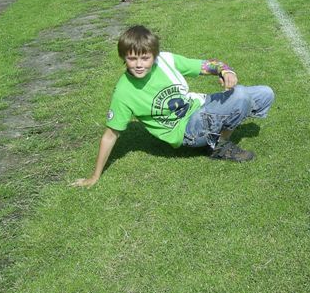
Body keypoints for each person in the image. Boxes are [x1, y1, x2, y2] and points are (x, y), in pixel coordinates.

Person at [72, 25, 274, 188]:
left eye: (145, 58)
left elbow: (207, 64)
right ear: (124, 58)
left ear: (154, 55)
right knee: (240, 96)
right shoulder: (124, 92)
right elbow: (110, 135)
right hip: (186, 131)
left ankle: (219, 131)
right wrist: (94, 176)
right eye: (132, 58)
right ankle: (218, 147)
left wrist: (226, 71)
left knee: (266, 93)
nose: (139, 64)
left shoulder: (166, 60)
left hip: (200, 106)